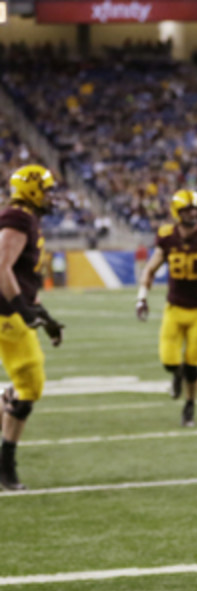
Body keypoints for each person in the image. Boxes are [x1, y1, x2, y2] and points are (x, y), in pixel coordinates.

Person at [135, 190, 197, 427]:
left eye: (196, 210)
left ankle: (190, 405)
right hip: (174, 308)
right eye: (189, 210)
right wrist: (142, 297)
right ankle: (176, 377)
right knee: (169, 361)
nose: (194, 214)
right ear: (177, 213)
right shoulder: (167, 237)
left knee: (192, 365)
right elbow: (149, 269)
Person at [0, 165, 66, 491]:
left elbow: (23, 278)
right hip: (4, 313)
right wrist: (23, 311)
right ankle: (6, 467)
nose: (51, 196)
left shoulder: (27, 219)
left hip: (10, 310)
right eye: (47, 189)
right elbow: (1, 267)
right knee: (31, 387)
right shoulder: (18, 218)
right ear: (32, 190)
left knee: (23, 386)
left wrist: (43, 315)